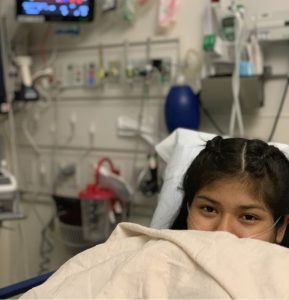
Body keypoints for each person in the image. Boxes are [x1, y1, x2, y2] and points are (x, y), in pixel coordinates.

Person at [171, 136, 289, 247]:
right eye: (209, 209)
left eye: (248, 217)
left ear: (281, 228)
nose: (223, 232)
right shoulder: (156, 259)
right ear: (189, 209)